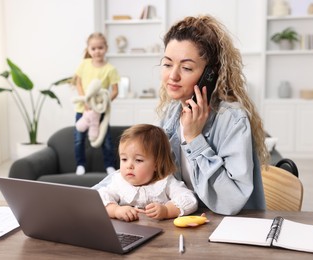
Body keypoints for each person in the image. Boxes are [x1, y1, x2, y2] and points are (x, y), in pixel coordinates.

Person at [95, 15, 269, 216]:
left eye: (186, 68)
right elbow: (146, 170)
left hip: (227, 230)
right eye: (168, 64)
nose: (173, 76)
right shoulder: (171, 112)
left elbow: (231, 203)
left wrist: (195, 138)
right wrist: (99, 199)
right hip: (183, 227)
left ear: (210, 75)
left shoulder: (232, 120)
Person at [97, 124, 198, 222]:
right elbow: (99, 199)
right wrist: (116, 210)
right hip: (128, 231)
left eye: (138, 160)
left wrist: (166, 210)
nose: (129, 166)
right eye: (124, 159)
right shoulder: (119, 182)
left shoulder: (165, 182)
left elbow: (189, 200)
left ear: (156, 164)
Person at [73, 32, 120, 176]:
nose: (97, 51)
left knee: (106, 140)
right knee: (79, 139)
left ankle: (109, 165)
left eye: (100, 47)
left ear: (106, 48)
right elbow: (78, 82)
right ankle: (80, 164)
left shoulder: (110, 69)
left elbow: (115, 90)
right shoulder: (84, 64)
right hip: (83, 108)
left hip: (100, 111)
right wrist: (85, 100)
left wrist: (103, 104)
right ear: (88, 49)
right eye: (93, 48)